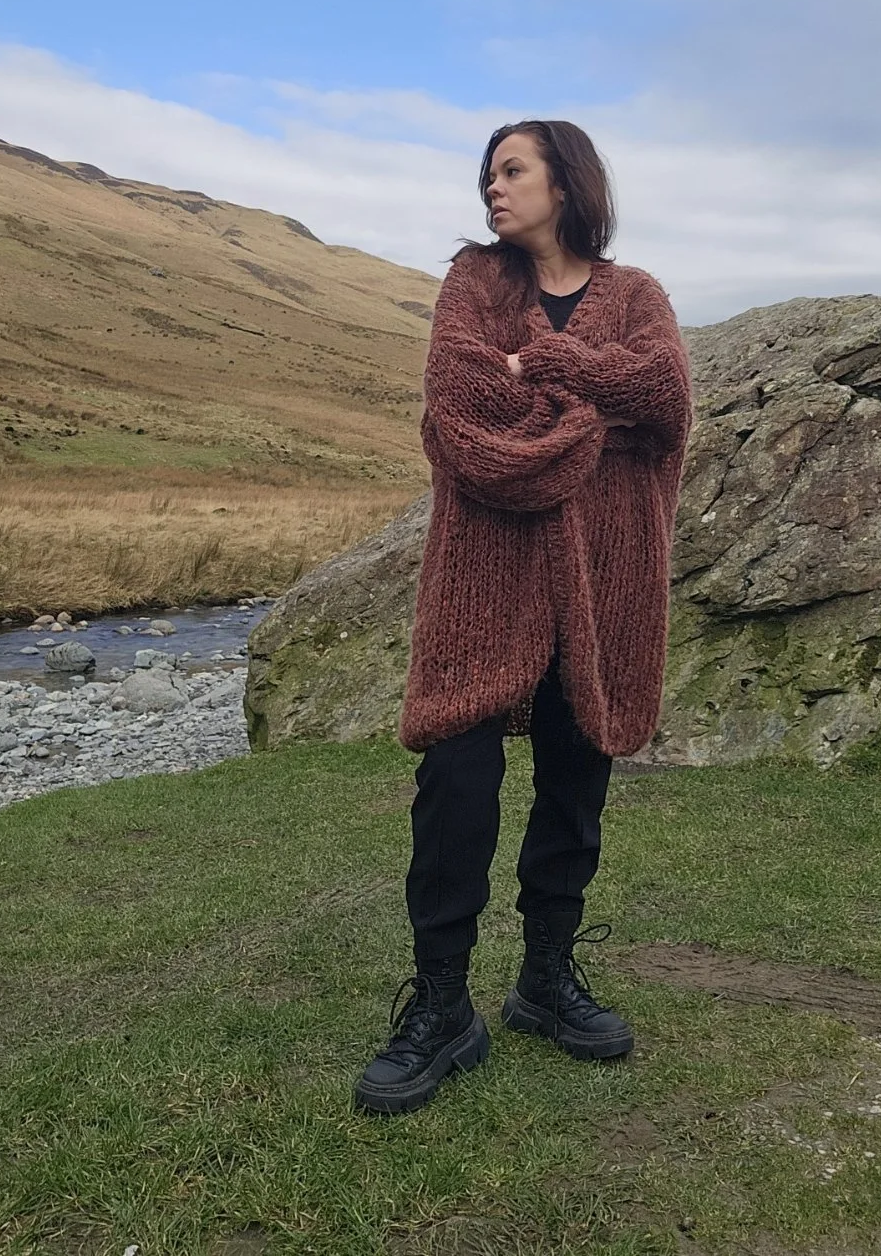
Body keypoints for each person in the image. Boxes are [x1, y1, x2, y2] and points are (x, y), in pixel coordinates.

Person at [353, 118, 694, 1116]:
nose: (491, 189)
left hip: (600, 576)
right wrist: (594, 409)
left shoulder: (636, 295)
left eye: (510, 170)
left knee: (574, 776)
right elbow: (459, 414)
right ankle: (442, 1004)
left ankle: (544, 976)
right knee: (454, 778)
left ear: (564, 180)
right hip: (485, 575)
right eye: (486, 174)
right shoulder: (473, 283)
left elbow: (666, 399)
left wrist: (540, 371)